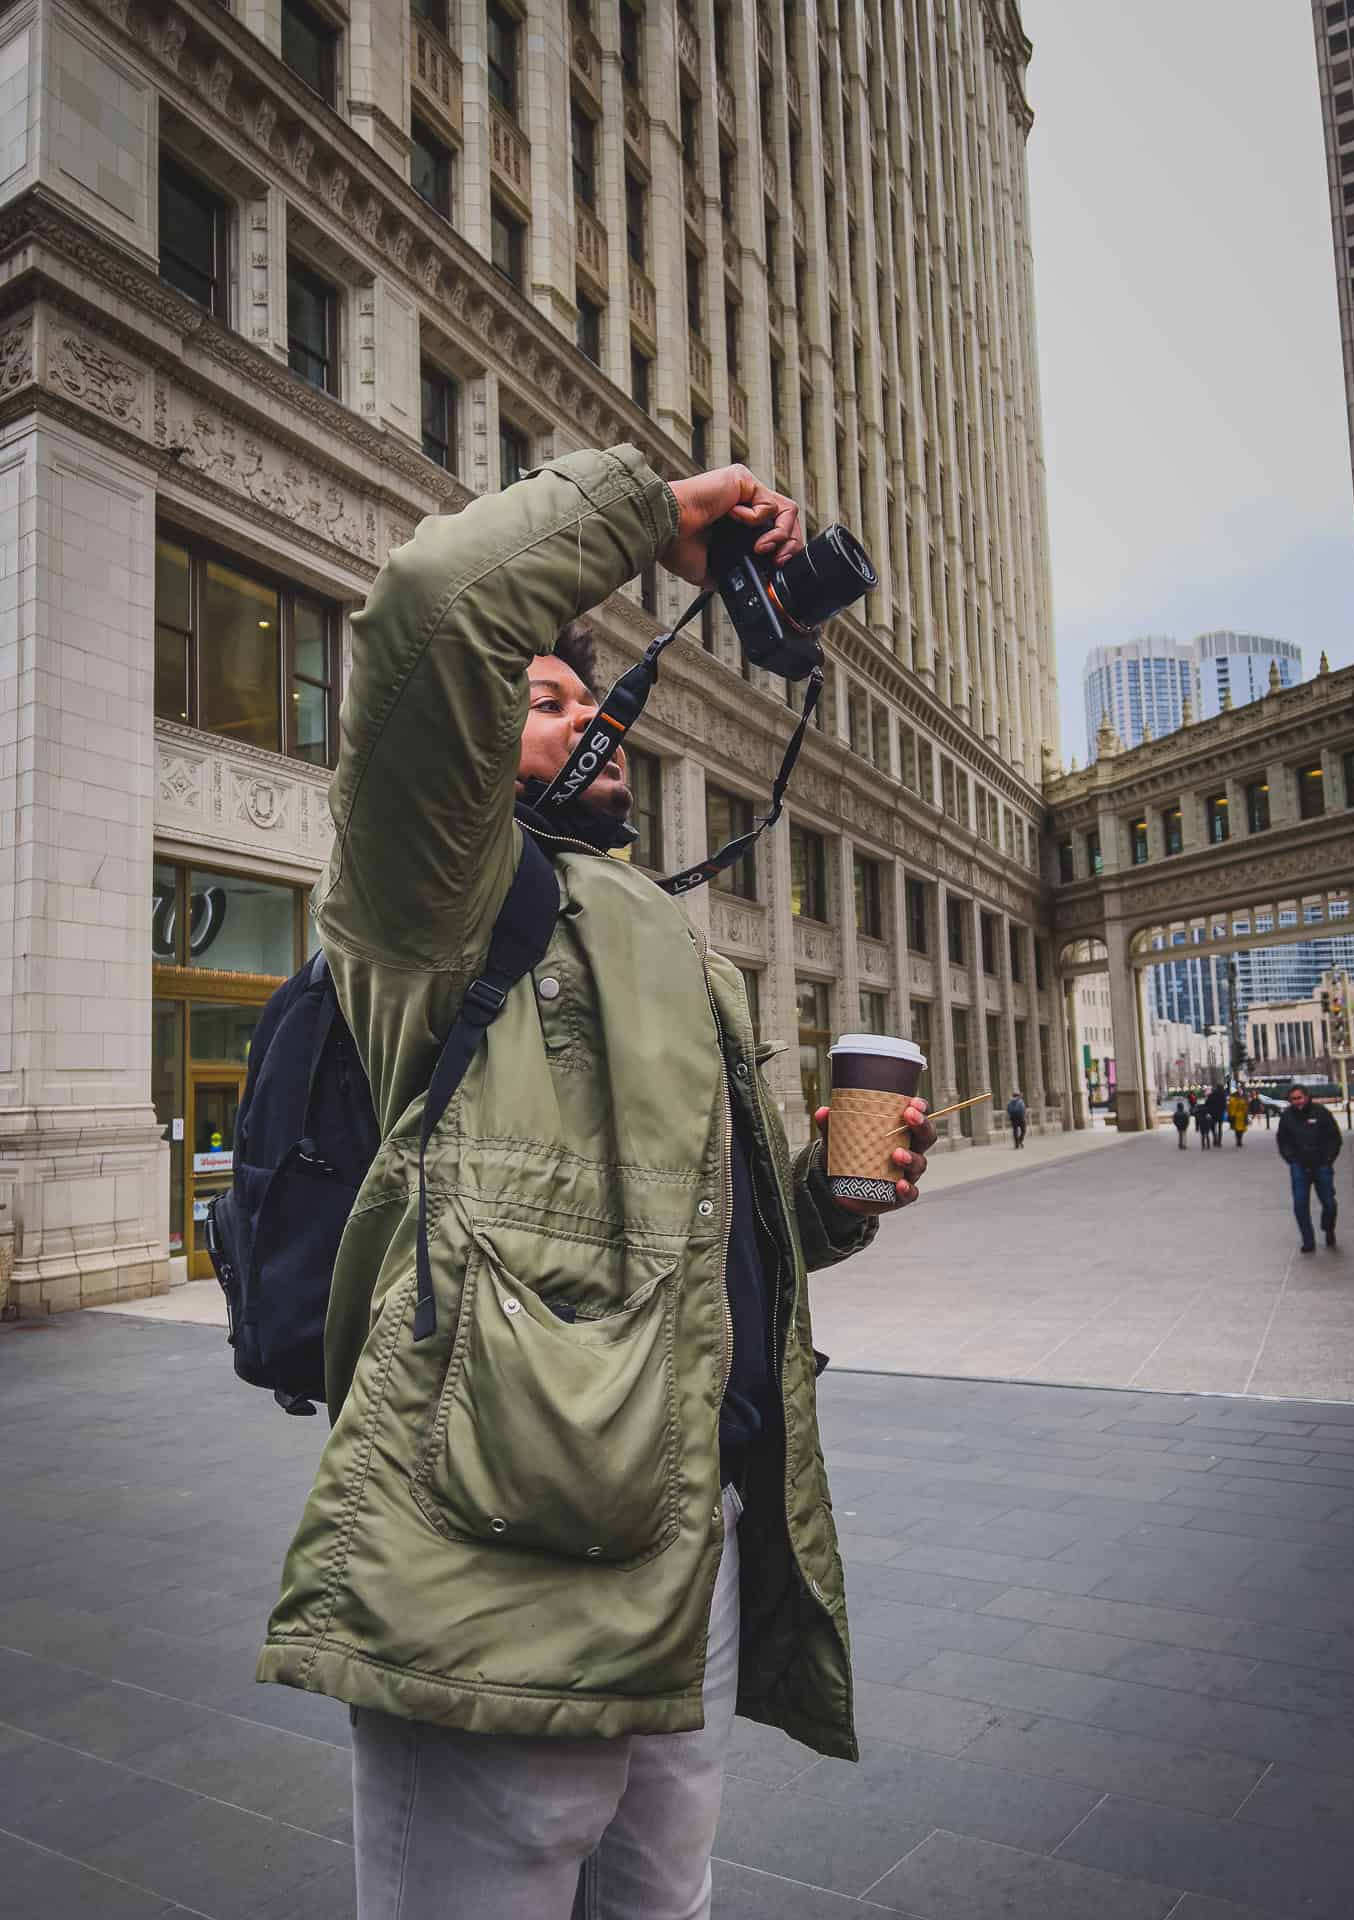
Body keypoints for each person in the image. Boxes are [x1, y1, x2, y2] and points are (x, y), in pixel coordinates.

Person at [256, 450, 938, 1920]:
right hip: (495, 1555)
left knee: (665, 1906)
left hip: (691, 1533)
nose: (594, 717)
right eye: (548, 699)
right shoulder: (430, 894)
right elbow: (435, 604)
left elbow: (677, 1235)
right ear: (465, 750)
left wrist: (825, 1199)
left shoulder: (652, 922)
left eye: (590, 695)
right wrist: (651, 516)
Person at [1277, 1082, 1344, 1252]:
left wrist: (1328, 1158)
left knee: (1329, 1203)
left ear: (1306, 1097)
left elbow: (1335, 1137)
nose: (1297, 1102)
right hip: (1299, 1166)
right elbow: (1282, 1140)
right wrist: (1291, 1158)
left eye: (1299, 1098)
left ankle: (1328, 1228)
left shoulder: (1321, 1112)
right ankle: (1308, 1240)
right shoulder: (1287, 1117)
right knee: (1300, 1204)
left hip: (1321, 1165)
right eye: (1293, 1099)